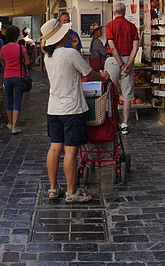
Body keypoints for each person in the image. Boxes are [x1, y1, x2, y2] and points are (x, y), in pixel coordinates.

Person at [40, 18, 109, 203]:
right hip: (72, 108)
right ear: (62, 36)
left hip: (53, 108)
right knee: (71, 151)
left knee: (55, 149)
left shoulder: (48, 56)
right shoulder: (70, 54)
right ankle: (72, 192)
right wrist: (103, 77)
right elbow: (89, 73)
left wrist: (75, 45)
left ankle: (53, 189)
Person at [104, 3, 139, 135]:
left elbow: (112, 46)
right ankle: (125, 124)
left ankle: (111, 121)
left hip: (114, 61)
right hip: (128, 60)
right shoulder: (132, 26)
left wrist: (120, 64)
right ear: (125, 12)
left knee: (110, 91)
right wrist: (128, 64)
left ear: (114, 12)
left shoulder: (110, 25)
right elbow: (135, 47)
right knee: (127, 94)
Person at [0, 25, 30, 134]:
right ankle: (15, 126)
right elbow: (27, 62)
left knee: (9, 100)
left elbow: (3, 63)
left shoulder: (3, 48)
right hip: (18, 76)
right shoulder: (20, 48)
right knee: (17, 101)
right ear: (17, 36)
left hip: (7, 76)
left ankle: (10, 123)